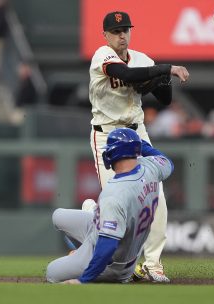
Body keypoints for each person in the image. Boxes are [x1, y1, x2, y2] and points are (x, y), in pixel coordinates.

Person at [87, 11, 189, 283]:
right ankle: (111, 251)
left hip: (137, 135)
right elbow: (125, 73)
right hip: (107, 135)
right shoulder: (102, 56)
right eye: (116, 31)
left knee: (156, 198)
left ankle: (153, 264)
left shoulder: (143, 59)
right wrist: (165, 69)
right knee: (116, 199)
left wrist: (160, 79)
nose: (122, 35)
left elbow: (164, 99)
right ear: (105, 34)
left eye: (126, 30)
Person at [46, 128, 174, 284]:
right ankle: (83, 250)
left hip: (112, 263)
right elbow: (167, 162)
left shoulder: (115, 193)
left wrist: (83, 280)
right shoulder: (150, 167)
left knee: (51, 272)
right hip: (120, 243)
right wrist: (141, 145)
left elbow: (107, 246)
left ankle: (85, 258)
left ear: (115, 154)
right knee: (58, 216)